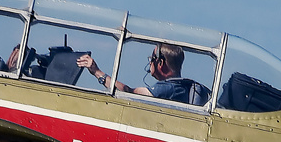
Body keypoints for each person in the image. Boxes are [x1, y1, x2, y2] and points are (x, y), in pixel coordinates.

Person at [78, 43, 208, 105]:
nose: (150, 62)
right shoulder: (183, 87)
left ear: (160, 63)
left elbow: (127, 92)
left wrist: (96, 71)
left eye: (152, 59)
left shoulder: (166, 89)